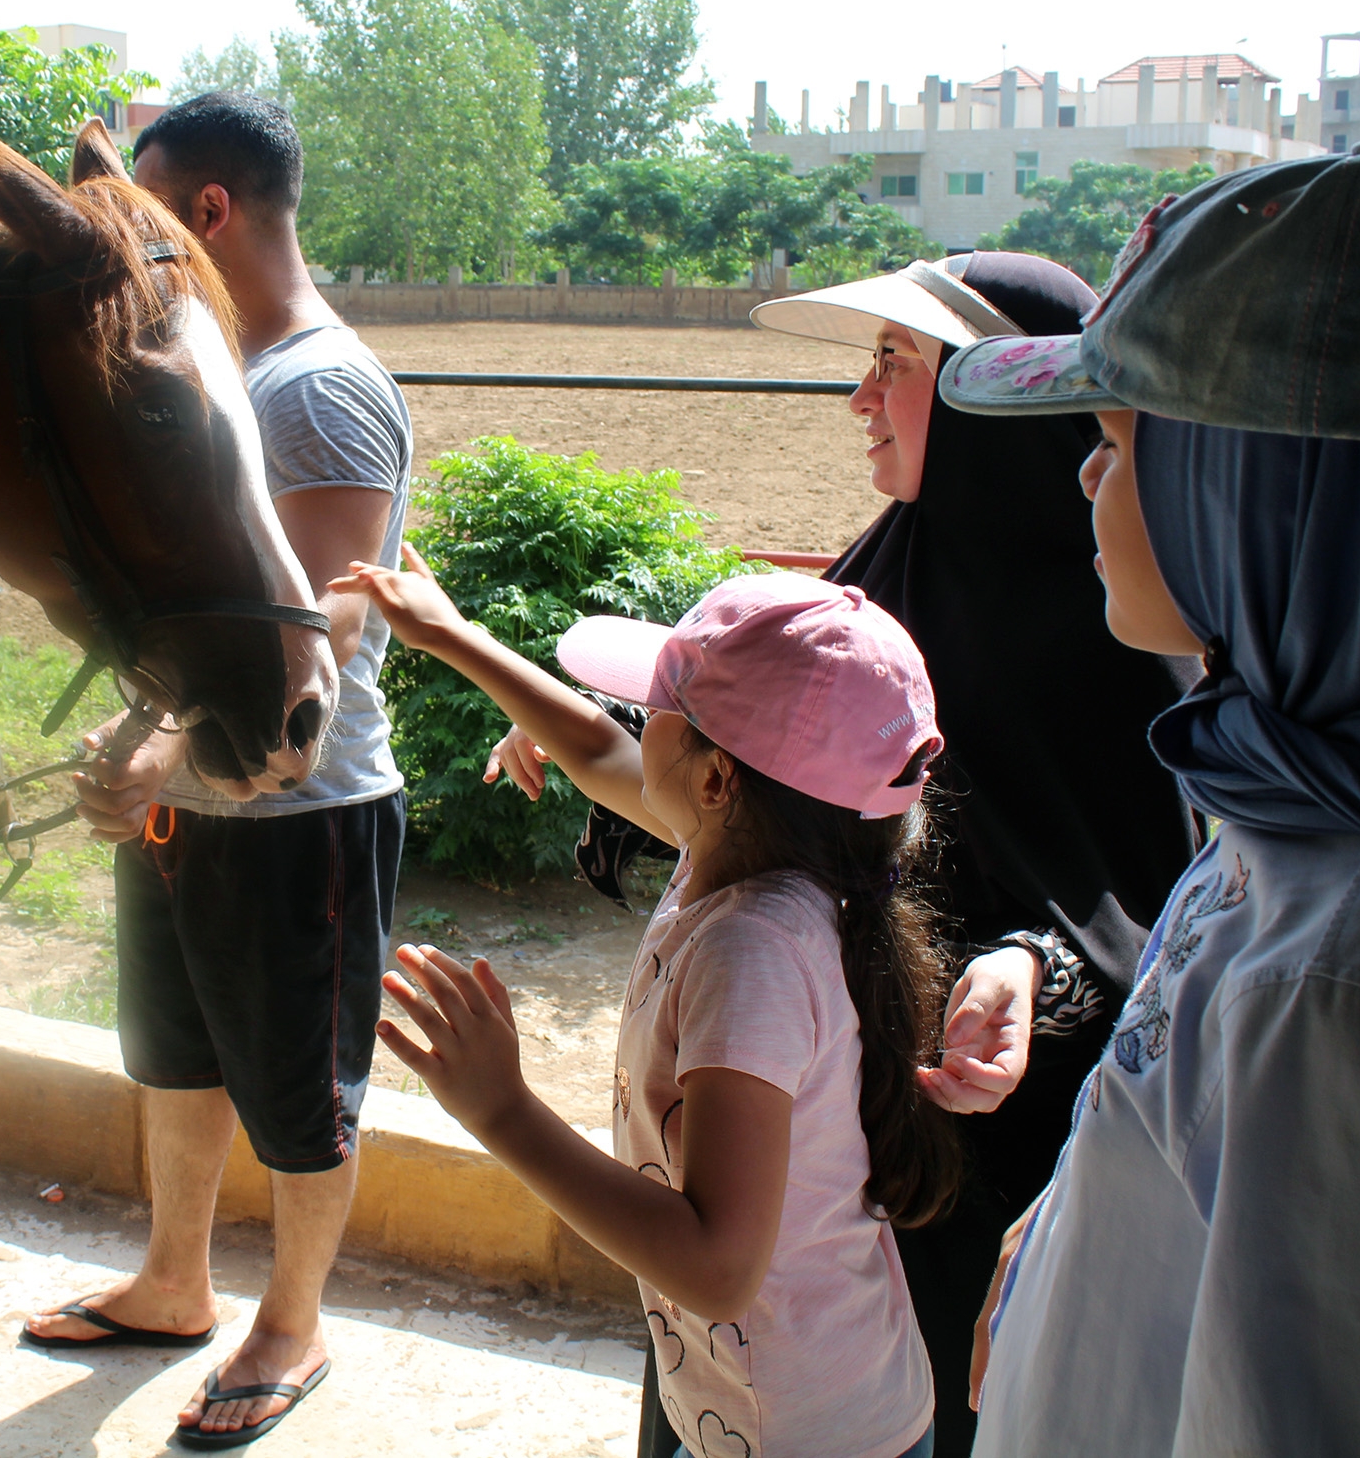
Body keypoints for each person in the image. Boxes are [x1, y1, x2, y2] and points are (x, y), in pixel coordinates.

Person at [938, 142, 1360, 1455]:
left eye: (1120, 436)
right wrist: (1079, 1217)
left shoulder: (1350, 999)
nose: (1084, 474)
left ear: (1265, 493)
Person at [495, 252, 1199, 1458]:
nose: (860, 396)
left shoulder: (1111, 629)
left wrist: (1035, 963)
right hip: (796, 1166)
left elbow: (1146, 908)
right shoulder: (882, 578)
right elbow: (764, 776)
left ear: (998, 396)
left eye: (895, 361)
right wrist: (636, 721)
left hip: (964, 1178)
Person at [334, 555, 960, 1458]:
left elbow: (718, 1266)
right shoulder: (754, 851)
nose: (635, 717)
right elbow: (597, 750)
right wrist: (452, 635)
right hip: (771, 1404)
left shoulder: (752, 952)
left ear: (714, 781)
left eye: (659, 707)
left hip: (809, 1436)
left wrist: (502, 1110)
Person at [21, 92, 414, 1451]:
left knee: (303, 1094)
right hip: (190, 803)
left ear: (207, 211)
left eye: (147, 213)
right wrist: (141, 742)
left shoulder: (319, 386)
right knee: (177, 1060)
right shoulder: (221, 366)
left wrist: (161, 748)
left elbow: (331, 620)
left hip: (302, 808)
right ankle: (173, 1281)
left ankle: (292, 1320)